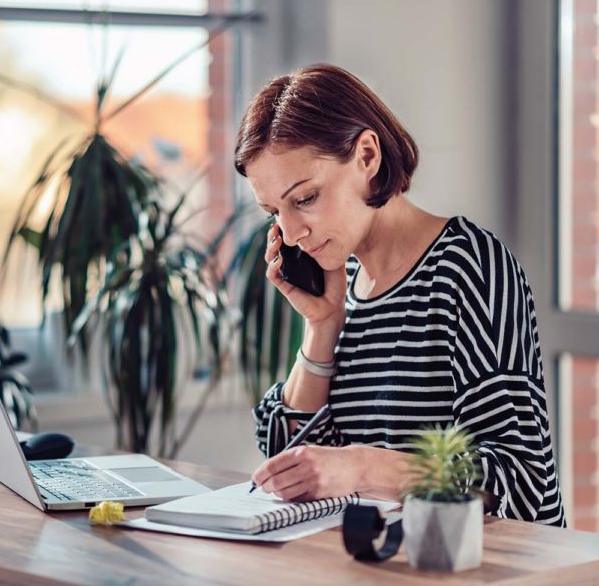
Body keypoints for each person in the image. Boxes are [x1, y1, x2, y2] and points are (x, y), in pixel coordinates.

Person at [237, 64, 565, 526]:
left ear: (367, 156)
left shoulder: (468, 267)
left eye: (305, 198)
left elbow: (523, 481)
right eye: (274, 211)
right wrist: (321, 329)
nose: (290, 234)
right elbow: (292, 467)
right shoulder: (342, 285)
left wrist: (365, 466)